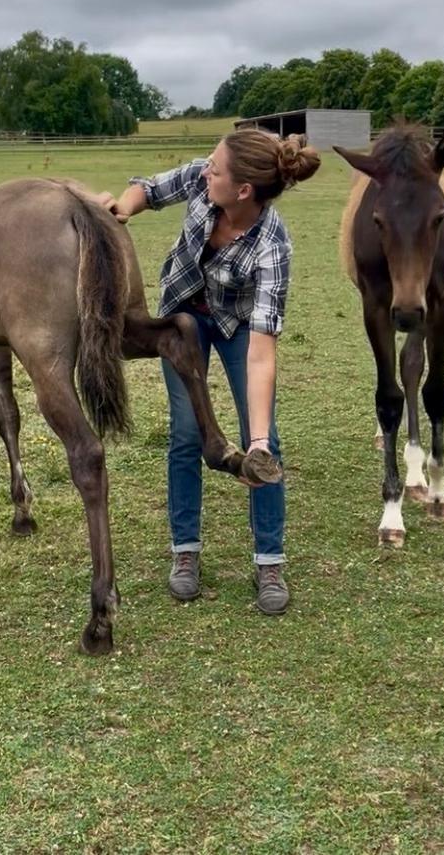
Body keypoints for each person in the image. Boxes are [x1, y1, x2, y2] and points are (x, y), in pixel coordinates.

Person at [97, 128, 320, 614]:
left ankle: (269, 561)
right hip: (183, 320)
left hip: (239, 327)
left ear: (244, 191)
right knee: (185, 433)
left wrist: (256, 442)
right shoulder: (205, 178)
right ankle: (186, 551)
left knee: (265, 439)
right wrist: (122, 208)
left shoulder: (272, 246)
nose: (205, 172)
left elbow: (262, 352)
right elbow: (150, 189)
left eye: (216, 170)